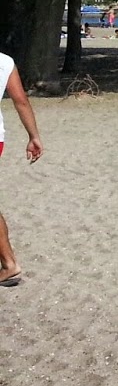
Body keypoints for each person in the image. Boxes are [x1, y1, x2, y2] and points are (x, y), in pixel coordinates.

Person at [0, 50, 45, 286]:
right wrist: (33, 135)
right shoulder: (5, 61)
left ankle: (9, 264)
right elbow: (21, 101)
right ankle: (8, 264)